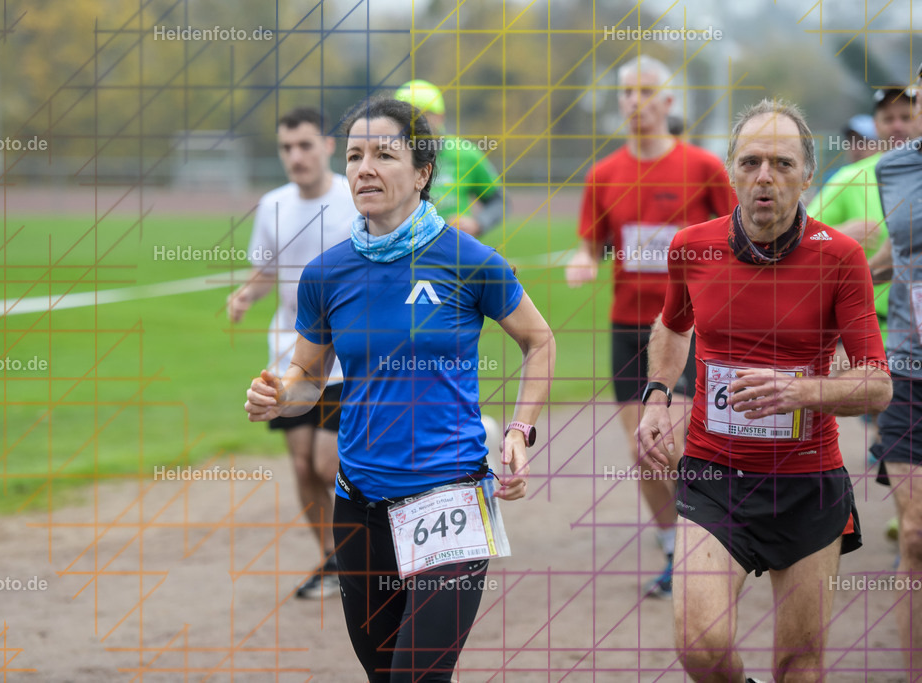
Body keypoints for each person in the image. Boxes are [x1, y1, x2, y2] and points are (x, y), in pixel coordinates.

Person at [244, 97, 555, 682]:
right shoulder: (326, 274)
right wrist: (278, 394)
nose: (364, 168)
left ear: (421, 173)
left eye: (384, 155)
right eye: (355, 155)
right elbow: (308, 379)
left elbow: (539, 341)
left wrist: (519, 430)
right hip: (359, 506)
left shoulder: (469, 260)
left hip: (448, 499)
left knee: (418, 677)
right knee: (384, 674)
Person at [638, 98, 892, 683]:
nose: (764, 177)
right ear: (730, 170)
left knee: (798, 666)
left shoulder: (840, 257)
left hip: (807, 484)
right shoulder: (691, 247)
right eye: (750, 162)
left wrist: (800, 393)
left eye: (782, 163)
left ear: (807, 175)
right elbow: (673, 325)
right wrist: (657, 395)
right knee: (700, 648)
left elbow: (876, 384)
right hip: (715, 476)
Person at [564, 55, 736, 597]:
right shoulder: (603, 174)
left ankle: (705, 540)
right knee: (643, 450)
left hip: (688, 325)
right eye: (627, 92)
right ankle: (671, 547)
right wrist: (583, 261)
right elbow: (590, 244)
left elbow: (737, 235)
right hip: (628, 327)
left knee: (671, 439)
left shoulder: (702, 167)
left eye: (645, 92)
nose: (635, 101)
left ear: (667, 101)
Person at [226, 107, 357, 599]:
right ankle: (334, 560)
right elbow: (267, 269)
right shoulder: (273, 205)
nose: (295, 156)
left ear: (327, 146)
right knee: (302, 466)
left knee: (327, 464)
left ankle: (370, 553)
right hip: (287, 354)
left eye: (305, 145)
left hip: (343, 357)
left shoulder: (354, 197)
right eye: (286, 148)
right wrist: (246, 294)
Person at [870, 61, 922, 678]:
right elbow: (897, 252)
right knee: (914, 536)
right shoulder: (895, 169)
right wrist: (840, 284)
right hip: (909, 369)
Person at [807, 86, 917, 345]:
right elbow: (800, 240)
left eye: (906, 117)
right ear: (876, 126)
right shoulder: (850, 177)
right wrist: (838, 235)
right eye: (888, 119)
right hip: (872, 333)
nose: (897, 126)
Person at [393, 79, 507, 237]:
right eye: (407, 117)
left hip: (454, 248)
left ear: (440, 117)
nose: (415, 124)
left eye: (424, 115)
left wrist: (478, 223)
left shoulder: (465, 153)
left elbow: (499, 201)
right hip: (402, 248)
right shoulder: (383, 157)